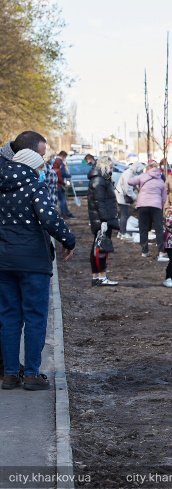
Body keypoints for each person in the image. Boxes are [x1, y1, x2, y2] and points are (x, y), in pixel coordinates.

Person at [1, 141, 76, 391]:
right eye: (40, 167)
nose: (41, 171)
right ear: (32, 166)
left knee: (9, 317)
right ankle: (32, 374)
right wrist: (68, 239)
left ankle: (10, 374)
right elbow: (49, 217)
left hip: (3, 262)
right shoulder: (35, 186)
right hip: (33, 261)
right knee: (35, 317)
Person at [87, 157, 120, 286]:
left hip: (101, 218)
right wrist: (104, 220)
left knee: (98, 247)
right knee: (101, 247)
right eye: (110, 167)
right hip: (102, 219)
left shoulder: (100, 180)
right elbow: (100, 202)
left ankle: (97, 276)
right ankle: (101, 276)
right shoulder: (99, 181)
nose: (112, 169)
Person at [128, 161, 167, 259]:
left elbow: (130, 181)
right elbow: (164, 198)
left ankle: (144, 251)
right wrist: (160, 206)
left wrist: (138, 187)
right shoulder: (161, 181)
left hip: (143, 205)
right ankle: (161, 252)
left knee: (143, 228)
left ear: (147, 169)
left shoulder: (142, 176)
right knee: (159, 229)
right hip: (156, 206)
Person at [114, 162, 144, 241]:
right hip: (122, 196)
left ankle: (121, 232)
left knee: (125, 214)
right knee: (124, 214)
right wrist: (135, 198)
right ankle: (122, 233)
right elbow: (128, 189)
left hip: (122, 195)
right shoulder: (129, 174)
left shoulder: (130, 173)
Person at [52, 151, 74, 218]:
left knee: (63, 199)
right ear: (63, 156)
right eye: (65, 157)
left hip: (59, 184)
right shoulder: (59, 162)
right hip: (59, 184)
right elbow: (61, 173)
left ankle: (66, 212)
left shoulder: (58, 161)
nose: (65, 158)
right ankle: (64, 213)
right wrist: (68, 176)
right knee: (62, 200)